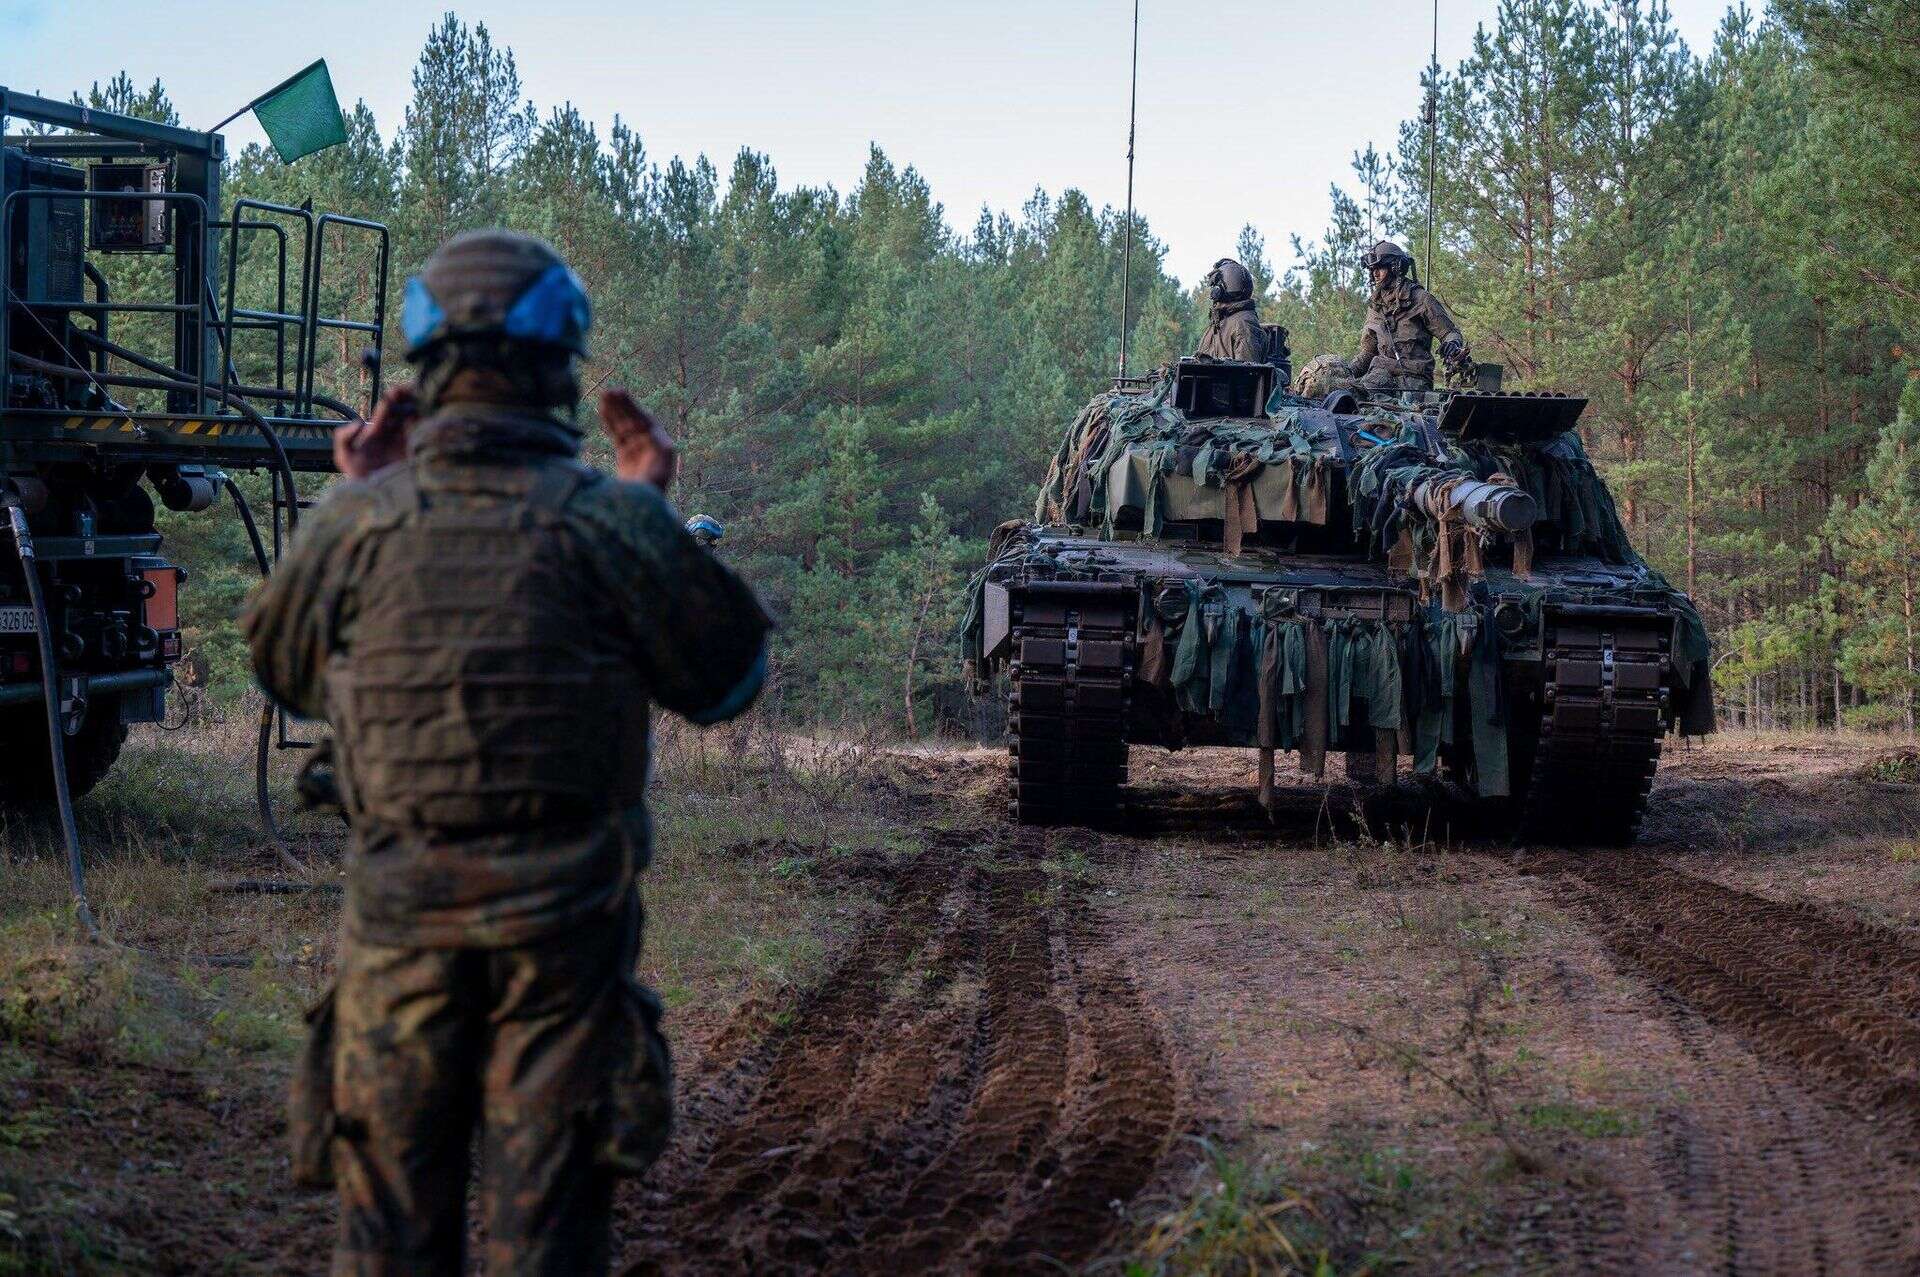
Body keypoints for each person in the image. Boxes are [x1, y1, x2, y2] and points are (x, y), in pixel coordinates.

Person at [243, 229, 770, 1276]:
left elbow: (285, 672)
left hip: (399, 925)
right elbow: (727, 682)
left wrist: (352, 496)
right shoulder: (607, 520)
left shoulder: (358, 523)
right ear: (558, 370)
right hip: (564, 935)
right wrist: (647, 512)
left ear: (422, 373)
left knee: (389, 1239)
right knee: (549, 1240)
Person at [1347, 240, 1473, 391]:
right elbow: (1368, 352)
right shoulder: (1375, 307)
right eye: (1372, 269)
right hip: (1379, 377)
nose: (1375, 273)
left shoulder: (1421, 299)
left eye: (1380, 267)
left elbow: (1450, 332)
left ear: (1395, 268)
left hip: (1414, 381)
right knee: (1343, 393)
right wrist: (1347, 372)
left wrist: (1452, 345)